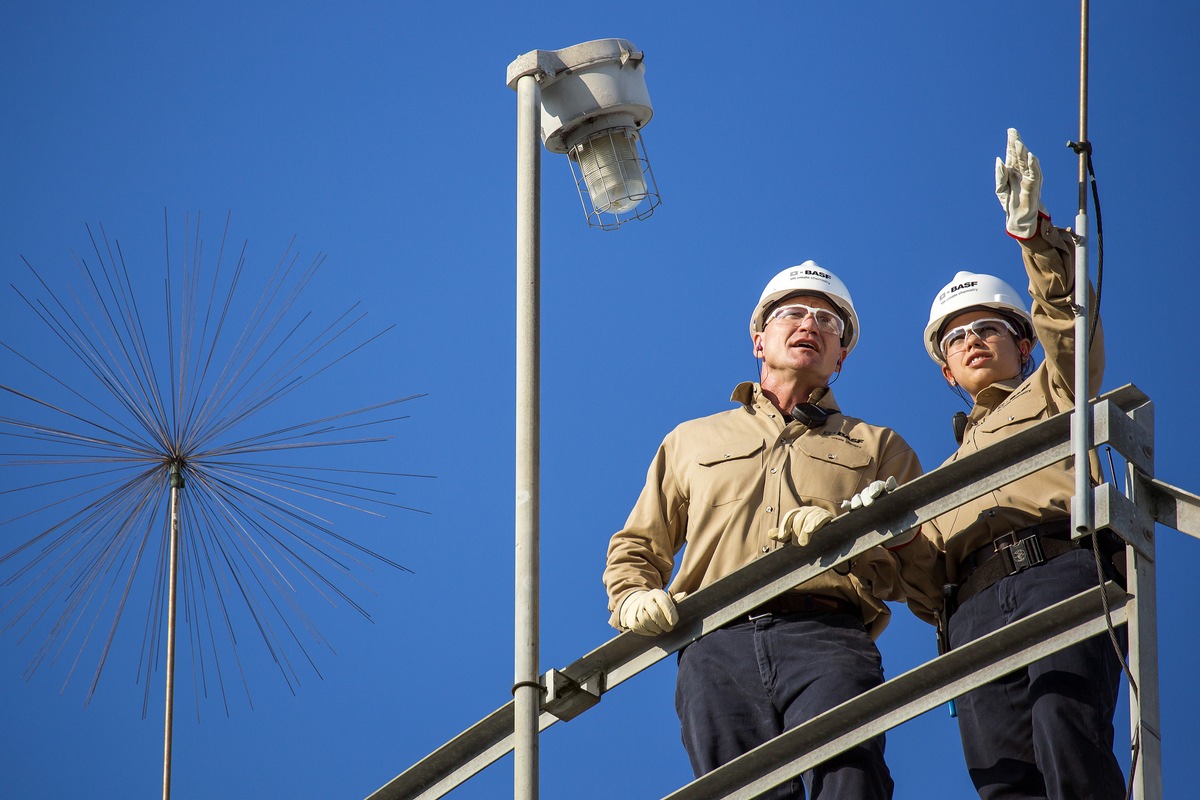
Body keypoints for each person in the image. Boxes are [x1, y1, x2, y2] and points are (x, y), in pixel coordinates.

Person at [602, 263, 922, 799]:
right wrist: (631, 596)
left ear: (841, 354)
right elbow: (638, 544)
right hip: (714, 644)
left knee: (850, 780)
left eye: (828, 321)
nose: (811, 325)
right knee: (742, 792)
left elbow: (919, 565)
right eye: (793, 313)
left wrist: (851, 542)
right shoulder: (690, 440)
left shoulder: (878, 447)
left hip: (828, 635)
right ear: (758, 339)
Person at [905, 128, 1126, 799]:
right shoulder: (938, 479)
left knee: (1066, 725)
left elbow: (1067, 322)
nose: (972, 340)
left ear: (1021, 346)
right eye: (956, 336)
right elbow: (920, 576)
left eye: (988, 328)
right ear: (945, 370)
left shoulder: (1056, 389)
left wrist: (1034, 240)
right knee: (1001, 772)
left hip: (1057, 569)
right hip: (971, 607)